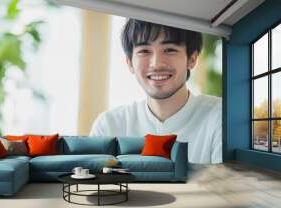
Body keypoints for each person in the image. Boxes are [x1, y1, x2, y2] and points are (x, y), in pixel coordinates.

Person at [89, 19, 222, 164]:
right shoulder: (109, 125)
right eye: (144, 51)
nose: (157, 63)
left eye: (169, 50)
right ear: (129, 63)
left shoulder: (220, 117)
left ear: (192, 59)